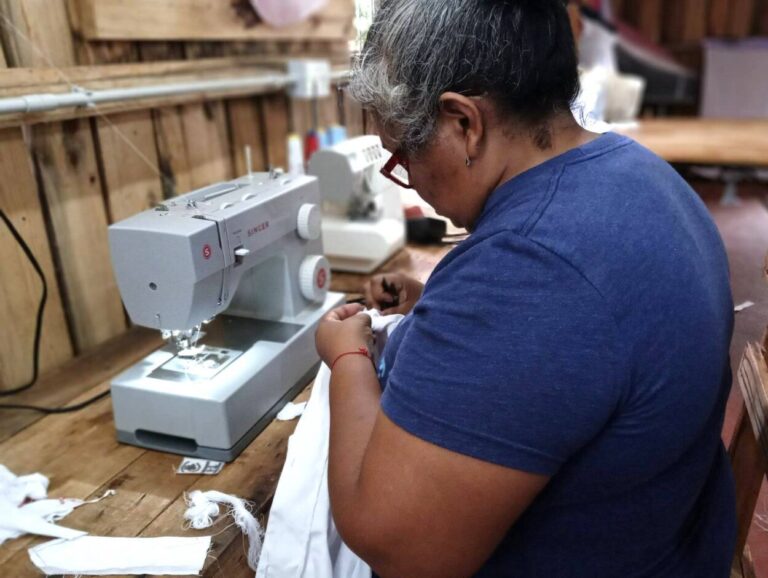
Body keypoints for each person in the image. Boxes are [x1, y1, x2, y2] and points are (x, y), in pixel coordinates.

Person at [315, 1, 736, 576]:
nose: (405, 175)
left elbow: (397, 546)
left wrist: (348, 359)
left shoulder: (531, 269)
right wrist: (437, 308)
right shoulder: (642, 174)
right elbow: (581, 340)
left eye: (402, 154)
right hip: (667, 536)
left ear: (464, 123)